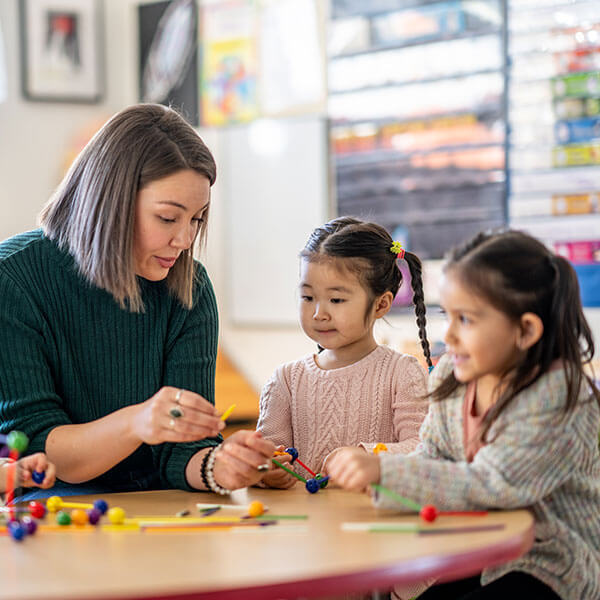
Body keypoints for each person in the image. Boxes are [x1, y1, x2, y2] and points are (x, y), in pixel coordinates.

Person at [0, 103, 274, 499]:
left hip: (159, 510)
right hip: (55, 512)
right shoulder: (13, 280)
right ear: (110, 202)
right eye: (167, 218)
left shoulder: (190, 288)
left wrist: (221, 466)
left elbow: (184, 452)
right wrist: (136, 423)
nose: (184, 240)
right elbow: (41, 453)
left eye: (197, 219)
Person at [326, 229, 600, 600]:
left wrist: (385, 472)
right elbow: (432, 456)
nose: (448, 335)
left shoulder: (559, 396)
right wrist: (376, 476)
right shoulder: (452, 374)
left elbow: (495, 483)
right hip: (479, 553)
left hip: (550, 565)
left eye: (466, 320)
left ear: (525, 330)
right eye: (446, 315)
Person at [257, 217, 432, 488]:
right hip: (307, 526)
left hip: (373, 522)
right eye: (307, 297)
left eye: (336, 300)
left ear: (381, 304)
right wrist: (266, 471)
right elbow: (267, 455)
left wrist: (368, 456)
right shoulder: (286, 380)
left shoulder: (402, 374)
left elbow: (424, 451)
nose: (319, 313)